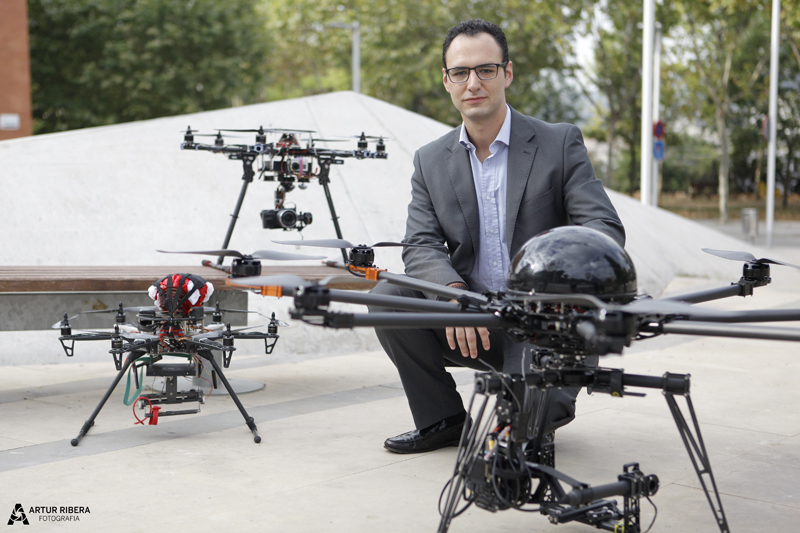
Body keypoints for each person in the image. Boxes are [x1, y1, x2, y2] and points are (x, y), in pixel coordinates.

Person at [370, 19, 625, 454]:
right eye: (460, 72)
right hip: (469, 320)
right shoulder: (430, 160)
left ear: (507, 73)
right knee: (388, 295)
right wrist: (454, 297)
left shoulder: (558, 143)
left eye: (485, 70)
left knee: (518, 444)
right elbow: (421, 244)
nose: (473, 83)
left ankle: (531, 412)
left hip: (544, 323)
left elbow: (604, 229)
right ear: (447, 81)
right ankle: (444, 420)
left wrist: (550, 282)